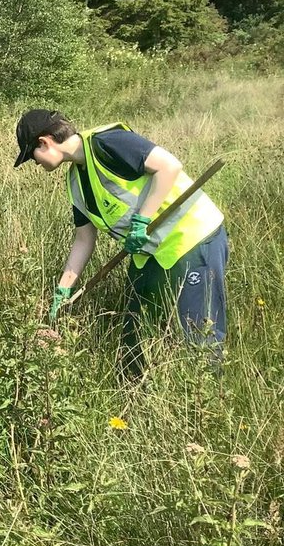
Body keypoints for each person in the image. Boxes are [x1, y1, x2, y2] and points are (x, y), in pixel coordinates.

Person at [14, 109, 228, 378]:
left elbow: (169, 166)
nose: (35, 164)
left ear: (44, 142)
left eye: (31, 155)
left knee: (200, 330)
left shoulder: (108, 142)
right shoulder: (76, 182)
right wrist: (63, 291)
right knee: (134, 332)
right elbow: (83, 240)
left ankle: (206, 404)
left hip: (193, 238)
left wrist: (142, 221)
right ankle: (134, 397)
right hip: (150, 253)